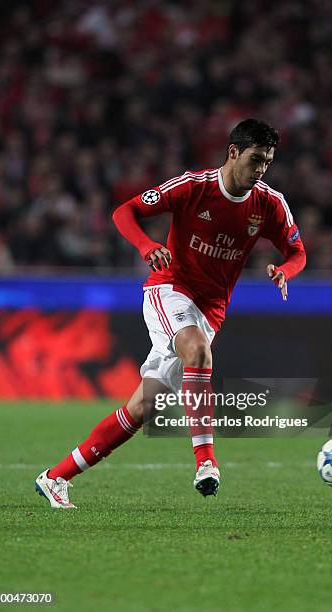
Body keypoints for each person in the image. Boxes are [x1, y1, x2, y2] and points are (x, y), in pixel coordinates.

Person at [35, 119, 306, 508]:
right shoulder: (193, 187)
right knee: (197, 352)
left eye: (267, 162)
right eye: (256, 159)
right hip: (169, 289)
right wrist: (146, 246)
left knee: (143, 407)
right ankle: (206, 463)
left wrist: (285, 271)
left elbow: (298, 252)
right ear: (233, 152)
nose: (261, 169)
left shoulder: (269, 204)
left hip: (210, 311)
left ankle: (56, 477)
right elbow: (124, 212)